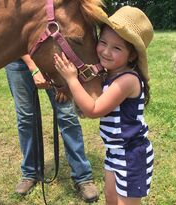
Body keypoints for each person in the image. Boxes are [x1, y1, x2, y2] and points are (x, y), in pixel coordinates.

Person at [54, 6, 154, 205]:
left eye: (117, 48)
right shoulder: (109, 72)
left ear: (132, 55)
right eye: (103, 43)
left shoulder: (127, 80)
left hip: (132, 155)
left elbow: (93, 110)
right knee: (110, 198)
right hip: (114, 152)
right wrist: (65, 86)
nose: (106, 52)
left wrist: (72, 80)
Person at [5, 55, 99, 203]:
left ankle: (82, 177)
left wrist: (62, 84)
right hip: (17, 59)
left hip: (50, 59)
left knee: (67, 116)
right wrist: (33, 67)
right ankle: (30, 173)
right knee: (25, 118)